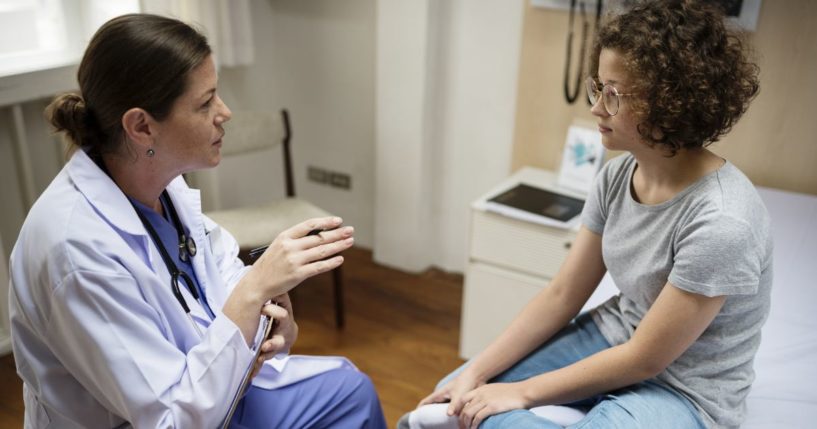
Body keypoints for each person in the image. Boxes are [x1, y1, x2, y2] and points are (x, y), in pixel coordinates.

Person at [8, 14, 386, 429]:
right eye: (205, 103)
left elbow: (222, 280)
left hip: (214, 392)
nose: (224, 113)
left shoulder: (161, 189)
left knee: (352, 391)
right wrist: (258, 286)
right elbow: (170, 420)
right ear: (142, 126)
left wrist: (271, 323)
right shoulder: (75, 252)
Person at [402, 0, 768, 428]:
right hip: (614, 335)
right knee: (447, 406)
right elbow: (562, 295)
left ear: (671, 104)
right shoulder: (616, 177)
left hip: (684, 387)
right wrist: (477, 371)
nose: (596, 108)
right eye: (599, 88)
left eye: (614, 96)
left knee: (489, 419)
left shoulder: (723, 222)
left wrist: (520, 392)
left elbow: (647, 359)